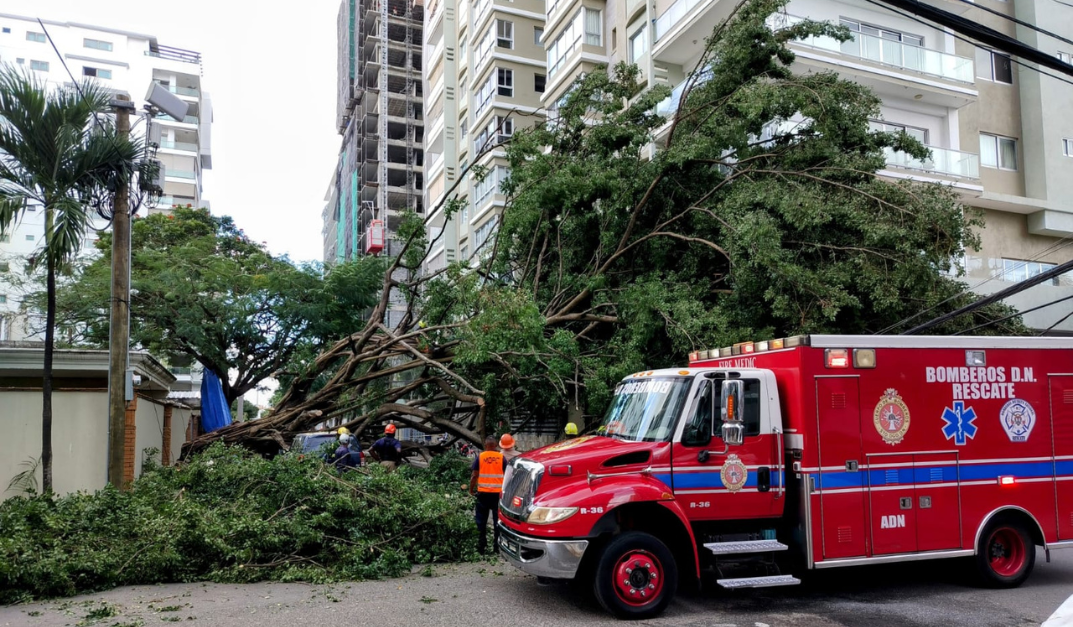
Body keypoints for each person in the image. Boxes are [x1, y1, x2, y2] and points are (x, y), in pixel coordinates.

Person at [469, 436, 504, 555]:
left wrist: (471, 489)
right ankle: (497, 547)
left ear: (485, 445)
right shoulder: (501, 457)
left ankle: (481, 547)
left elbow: (474, 475)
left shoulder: (481, 457)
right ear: (495, 445)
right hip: (497, 495)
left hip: (483, 494)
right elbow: (509, 475)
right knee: (497, 521)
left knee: (481, 521)